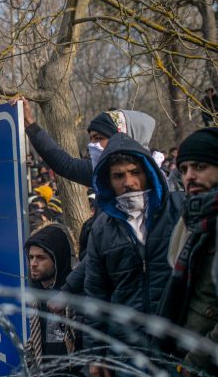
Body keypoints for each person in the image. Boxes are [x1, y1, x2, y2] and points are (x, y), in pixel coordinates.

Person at [83, 133, 184, 377]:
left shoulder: (179, 210)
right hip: (128, 354)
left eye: (134, 172)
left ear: (147, 172)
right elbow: (96, 295)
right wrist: (97, 353)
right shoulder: (101, 229)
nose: (129, 182)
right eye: (119, 176)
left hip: (178, 349)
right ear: (107, 181)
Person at [159, 128, 218, 375]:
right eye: (183, 170)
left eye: (200, 166)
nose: (189, 177)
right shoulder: (192, 222)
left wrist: (196, 362)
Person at [16, 97, 155, 187]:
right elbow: (65, 165)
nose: (92, 145)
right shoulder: (101, 170)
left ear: (123, 137)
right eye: (91, 139)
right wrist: (29, 124)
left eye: (99, 138)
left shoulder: (154, 179)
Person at [24, 224, 79, 371]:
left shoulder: (75, 296)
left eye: (41, 258)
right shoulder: (37, 295)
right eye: (31, 257)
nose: (33, 264)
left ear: (57, 259)